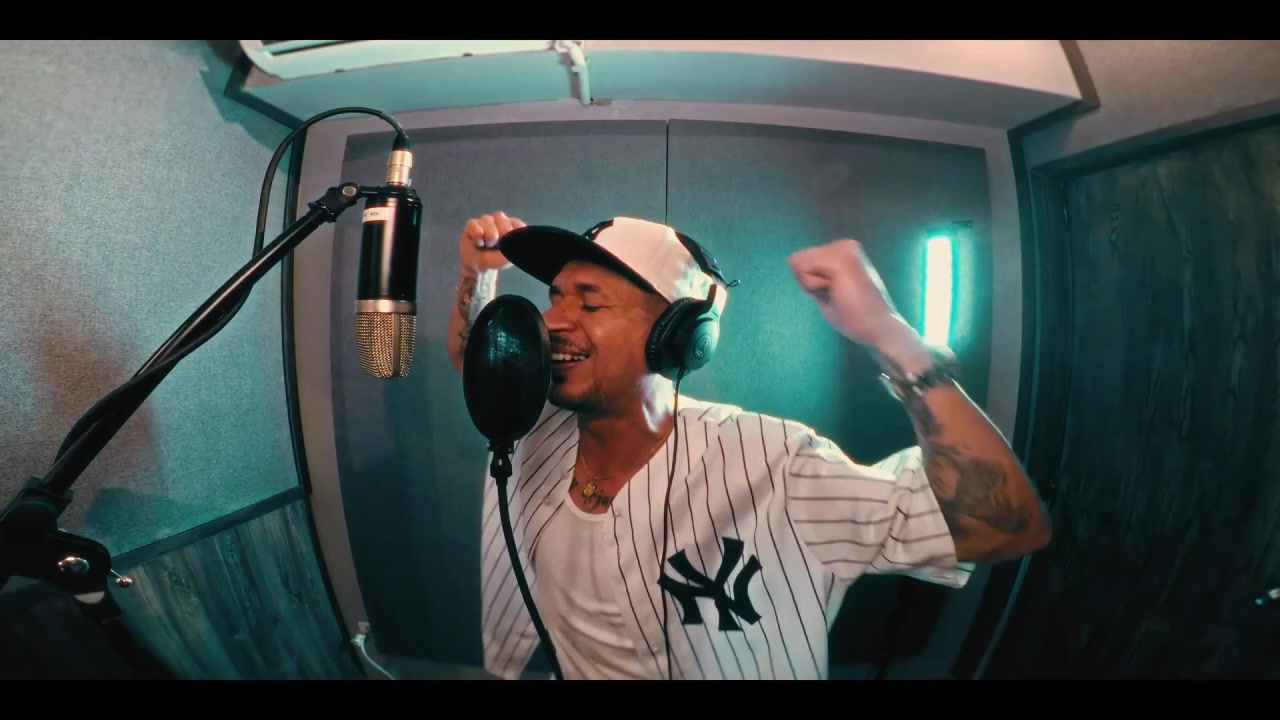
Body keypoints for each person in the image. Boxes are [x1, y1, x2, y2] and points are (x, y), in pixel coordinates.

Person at [447, 211, 1051, 681]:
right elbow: (477, 357)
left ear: (678, 336)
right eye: (555, 297)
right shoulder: (528, 418)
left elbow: (1001, 527)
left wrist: (890, 334)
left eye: (589, 300)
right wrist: (478, 273)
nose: (553, 321)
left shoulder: (773, 461)